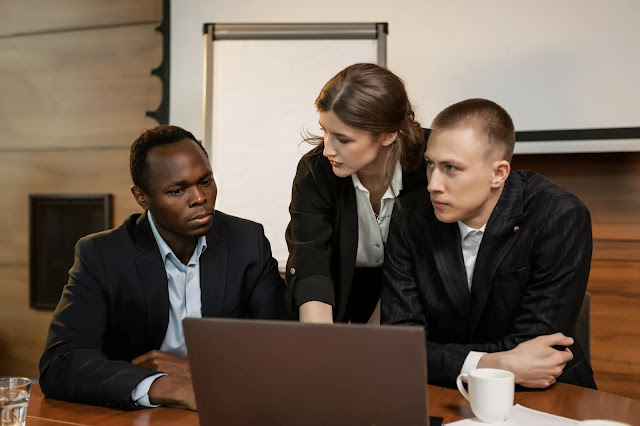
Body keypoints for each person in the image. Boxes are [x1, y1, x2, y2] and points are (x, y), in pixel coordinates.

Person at [39, 125, 289, 410]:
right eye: (177, 190)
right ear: (141, 197)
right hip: (139, 414)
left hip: (227, 406)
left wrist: (197, 372)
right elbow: (61, 362)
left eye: (205, 181)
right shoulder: (103, 255)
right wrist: (166, 385)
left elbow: (279, 349)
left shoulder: (247, 242)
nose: (199, 198)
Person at [381, 98, 596, 389]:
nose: (433, 184)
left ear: (498, 173)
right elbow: (400, 347)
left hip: (548, 392)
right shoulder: (410, 216)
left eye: (451, 168)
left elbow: (536, 354)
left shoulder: (558, 215)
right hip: (444, 389)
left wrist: (442, 357)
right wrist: (490, 364)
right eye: (431, 165)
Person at [285, 63, 428, 323]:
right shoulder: (315, 170)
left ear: (388, 135)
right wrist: (321, 344)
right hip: (343, 289)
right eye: (325, 131)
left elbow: (424, 266)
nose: (328, 149)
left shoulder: (431, 165)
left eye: (344, 139)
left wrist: (370, 341)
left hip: (417, 298)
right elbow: (311, 261)